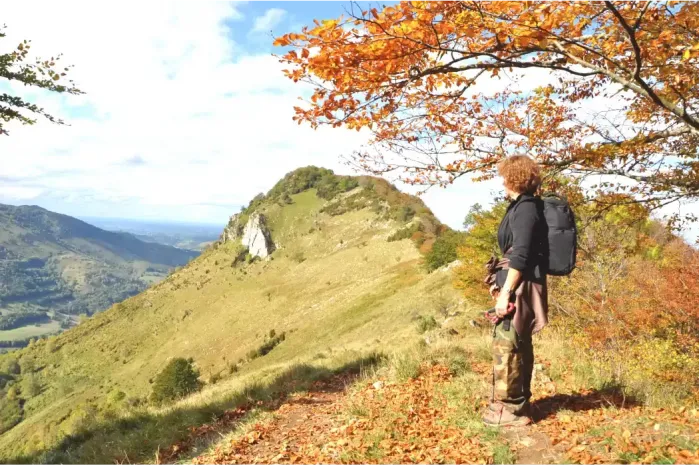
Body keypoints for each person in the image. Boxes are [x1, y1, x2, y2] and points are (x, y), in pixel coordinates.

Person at [482, 155, 549, 427]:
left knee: (508, 345)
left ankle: (509, 410)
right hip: (516, 283)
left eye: (505, 177)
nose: (502, 182)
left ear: (514, 178)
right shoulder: (523, 207)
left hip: (519, 287)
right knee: (516, 343)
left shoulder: (526, 209)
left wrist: (507, 293)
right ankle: (516, 405)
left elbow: (520, 255)